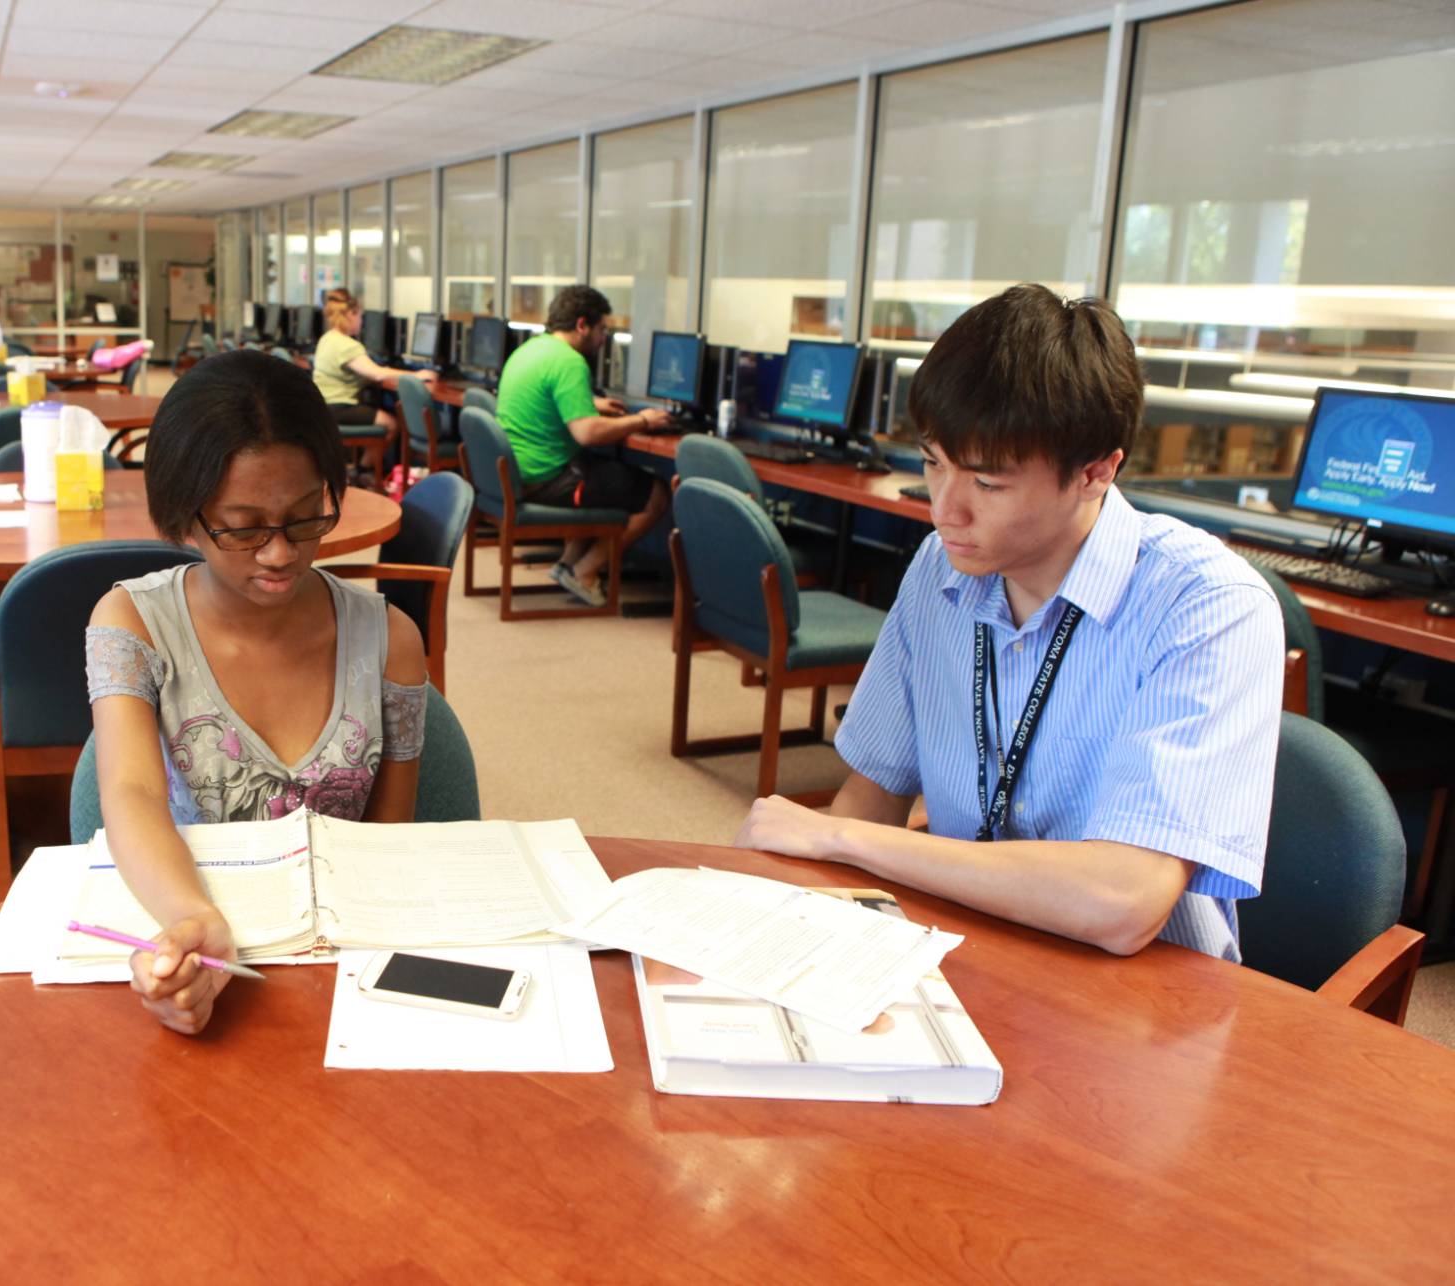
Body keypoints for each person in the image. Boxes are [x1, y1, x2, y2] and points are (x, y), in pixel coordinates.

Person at [735, 284, 1283, 962]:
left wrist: (843, 841)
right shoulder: (941, 569)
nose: (945, 510)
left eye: (988, 484)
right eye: (934, 465)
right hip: (968, 943)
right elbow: (869, 800)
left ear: (1096, 472)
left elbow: (1122, 902)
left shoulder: (1207, 606)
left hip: (1137, 998)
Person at [84, 348, 429, 1034]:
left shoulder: (390, 638)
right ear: (186, 516)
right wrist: (190, 920)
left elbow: (390, 840)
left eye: (305, 518)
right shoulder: (132, 624)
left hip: (346, 974)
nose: (280, 554)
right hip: (191, 935)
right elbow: (131, 793)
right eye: (243, 527)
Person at [495, 285, 671, 608]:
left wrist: (589, 401)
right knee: (656, 493)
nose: (605, 338)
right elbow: (588, 434)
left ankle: (566, 564)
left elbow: (547, 396)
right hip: (545, 477)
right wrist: (643, 420)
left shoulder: (531, 350)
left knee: (600, 474)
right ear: (581, 325)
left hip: (520, 472)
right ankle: (586, 571)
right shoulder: (570, 362)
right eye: (602, 328)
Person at [311, 288, 431, 481]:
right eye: (360, 316)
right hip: (339, 407)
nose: (361, 322)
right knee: (392, 424)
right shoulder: (346, 345)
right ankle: (362, 471)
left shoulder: (327, 339)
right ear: (350, 315)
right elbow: (376, 373)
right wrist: (416, 375)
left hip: (324, 406)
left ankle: (360, 471)